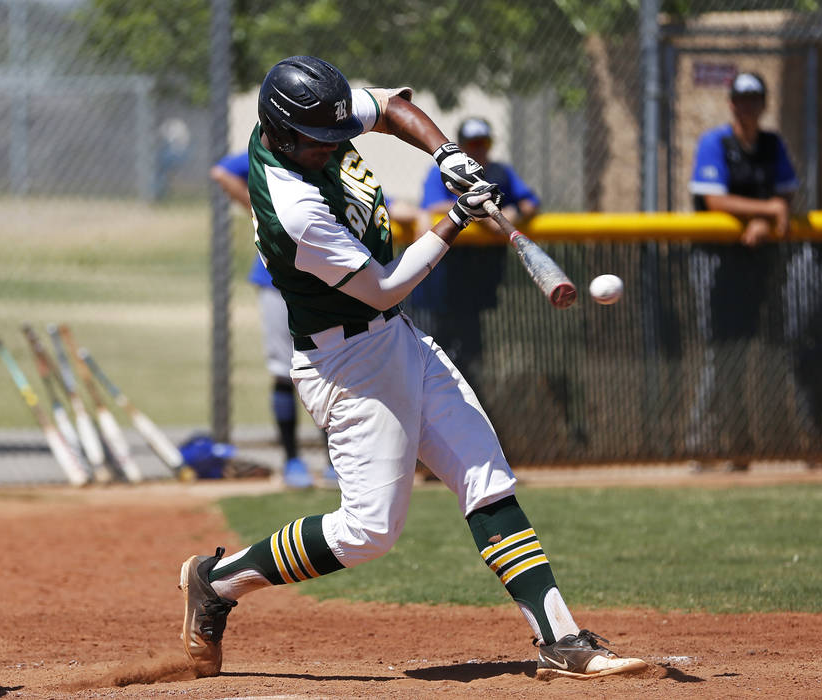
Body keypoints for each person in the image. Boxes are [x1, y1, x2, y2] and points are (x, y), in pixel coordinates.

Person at [179, 55, 647, 682]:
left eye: (337, 136)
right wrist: (456, 218)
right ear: (283, 134)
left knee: (486, 474)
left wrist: (447, 156)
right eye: (319, 143)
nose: (333, 148)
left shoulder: (318, 120)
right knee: (368, 532)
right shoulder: (293, 208)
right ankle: (216, 582)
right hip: (345, 364)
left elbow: (394, 106)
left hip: (395, 340)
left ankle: (560, 639)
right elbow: (385, 288)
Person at [686, 71, 799, 470]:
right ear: (731, 103)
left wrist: (765, 220)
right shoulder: (715, 142)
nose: (748, 106)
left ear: (763, 104)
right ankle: (702, 445)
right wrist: (767, 210)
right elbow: (714, 200)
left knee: (754, 351)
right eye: (741, 99)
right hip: (715, 262)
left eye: (755, 99)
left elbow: (787, 189)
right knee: (720, 352)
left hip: (756, 262)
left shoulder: (771, 144)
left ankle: (741, 443)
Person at [210, 152, 335, 489]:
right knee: (283, 370)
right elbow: (222, 172)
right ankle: (292, 459)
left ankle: (333, 461)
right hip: (275, 278)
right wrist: (259, 211)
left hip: (322, 277)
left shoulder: (331, 150)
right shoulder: (273, 146)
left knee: (329, 366)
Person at [413, 117, 539, 390]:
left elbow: (530, 201)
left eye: (484, 142)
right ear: (460, 147)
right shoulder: (444, 173)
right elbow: (431, 206)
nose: (479, 149)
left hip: (475, 287)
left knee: (470, 362)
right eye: (472, 143)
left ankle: (470, 412)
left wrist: (516, 212)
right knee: (433, 361)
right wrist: (482, 216)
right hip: (440, 287)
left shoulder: (499, 173)